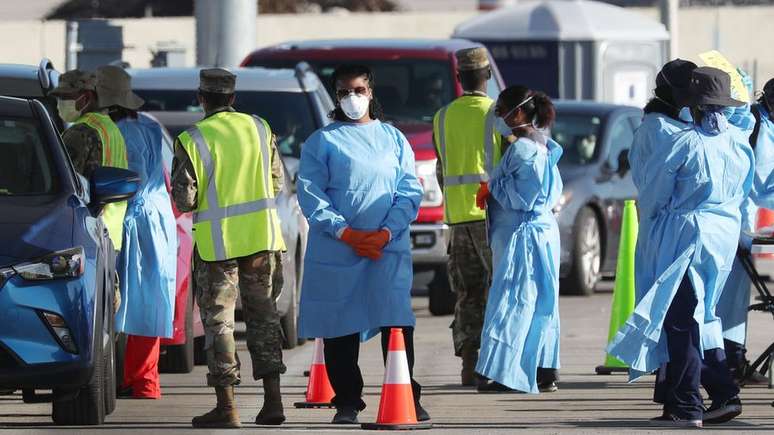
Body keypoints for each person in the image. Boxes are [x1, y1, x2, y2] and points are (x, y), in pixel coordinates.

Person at [607, 67, 755, 428]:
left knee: (681, 320)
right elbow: (746, 188)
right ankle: (712, 396)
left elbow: (656, 195)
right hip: (722, 234)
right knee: (703, 316)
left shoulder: (684, 141)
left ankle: (697, 401)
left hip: (686, 233)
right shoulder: (736, 139)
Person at [296, 64, 427, 425]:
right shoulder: (322, 141)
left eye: (358, 90)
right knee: (340, 326)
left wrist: (385, 233)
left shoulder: (393, 138)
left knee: (397, 321)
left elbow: (408, 191)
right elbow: (311, 193)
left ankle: (406, 394)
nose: (352, 98)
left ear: (370, 92)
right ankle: (347, 400)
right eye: (343, 92)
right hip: (339, 248)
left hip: (387, 247)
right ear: (335, 97)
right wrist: (347, 233)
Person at [171, 68, 287, 428]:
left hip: (217, 246)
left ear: (200, 98)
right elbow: (277, 182)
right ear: (233, 98)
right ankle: (273, 402)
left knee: (220, 324)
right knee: (264, 318)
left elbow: (184, 198)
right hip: (261, 241)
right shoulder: (260, 128)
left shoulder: (193, 138)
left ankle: (228, 407)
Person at [473, 86, 562, 394]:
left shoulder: (523, 150)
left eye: (502, 111)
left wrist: (492, 188)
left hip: (521, 236)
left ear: (519, 112)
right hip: (542, 232)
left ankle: (505, 372)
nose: (499, 117)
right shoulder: (545, 145)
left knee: (513, 300)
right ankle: (543, 369)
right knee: (542, 301)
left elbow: (522, 196)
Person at [96, 65, 177, 400]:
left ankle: (142, 380)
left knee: (132, 301)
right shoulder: (147, 125)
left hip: (135, 218)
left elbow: (134, 179)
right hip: (153, 219)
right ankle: (142, 379)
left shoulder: (123, 131)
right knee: (146, 300)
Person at [432, 47, 502, 387]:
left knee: (468, 294)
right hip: (492, 219)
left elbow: (440, 170)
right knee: (498, 290)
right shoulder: (498, 115)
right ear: (487, 76)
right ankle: (494, 365)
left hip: (457, 218)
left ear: (459, 78)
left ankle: (469, 364)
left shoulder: (442, 116)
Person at [50, 69, 129, 314]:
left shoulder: (80, 132)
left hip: (88, 235)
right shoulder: (111, 128)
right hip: (110, 234)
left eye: (66, 96)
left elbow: (63, 186)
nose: (60, 103)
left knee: (86, 313)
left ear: (85, 97)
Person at [717, 77, 774, 382]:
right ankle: (727, 362)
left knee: (734, 295)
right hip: (737, 219)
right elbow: (764, 183)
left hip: (741, 218)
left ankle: (731, 360)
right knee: (729, 295)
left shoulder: (761, 121)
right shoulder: (756, 125)